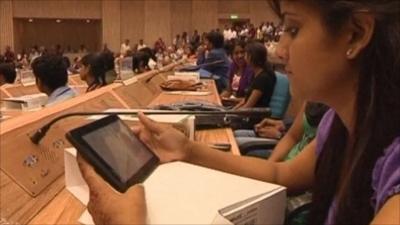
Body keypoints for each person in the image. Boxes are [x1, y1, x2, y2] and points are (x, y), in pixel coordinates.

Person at [78, 1, 400, 224]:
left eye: (293, 29)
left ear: (356, 34)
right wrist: (187, 149)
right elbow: (281, 175)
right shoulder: (338, 122)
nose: (279, 49)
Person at [233, 42, 276, 109]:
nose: (243, 57)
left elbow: (248, 106)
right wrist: (233, 110)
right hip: (247, 112)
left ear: (250, 57)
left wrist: (231, 114)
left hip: (254, 116)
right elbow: (245, 100)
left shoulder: (263, 78)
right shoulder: (255, 73)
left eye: (245, 54)